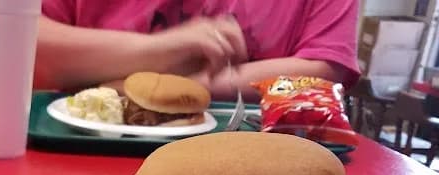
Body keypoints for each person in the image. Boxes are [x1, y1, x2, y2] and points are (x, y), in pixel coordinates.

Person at [35, 0, 360, 102]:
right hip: (79, 147)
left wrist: (139, 88)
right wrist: (161, 50)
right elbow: (24, 46)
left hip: (259, 154)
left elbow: (324, 73)